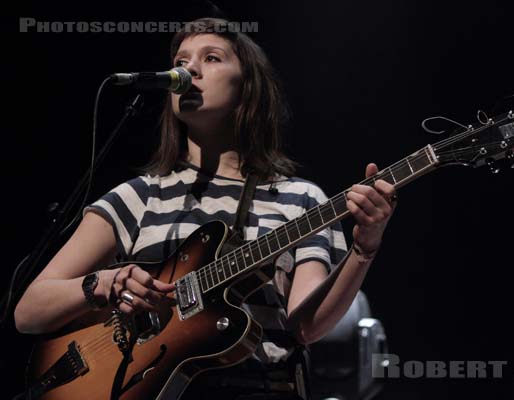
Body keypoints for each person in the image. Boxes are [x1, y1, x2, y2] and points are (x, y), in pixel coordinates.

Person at [14, 17, 397, 399]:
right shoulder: (139, 196)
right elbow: (29, 311)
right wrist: (103, 283)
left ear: (248, 86)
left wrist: (364, 249)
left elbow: (306, 328)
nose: (188, 69)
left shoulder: (300, 199)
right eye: (181, 61)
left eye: (211, 58)